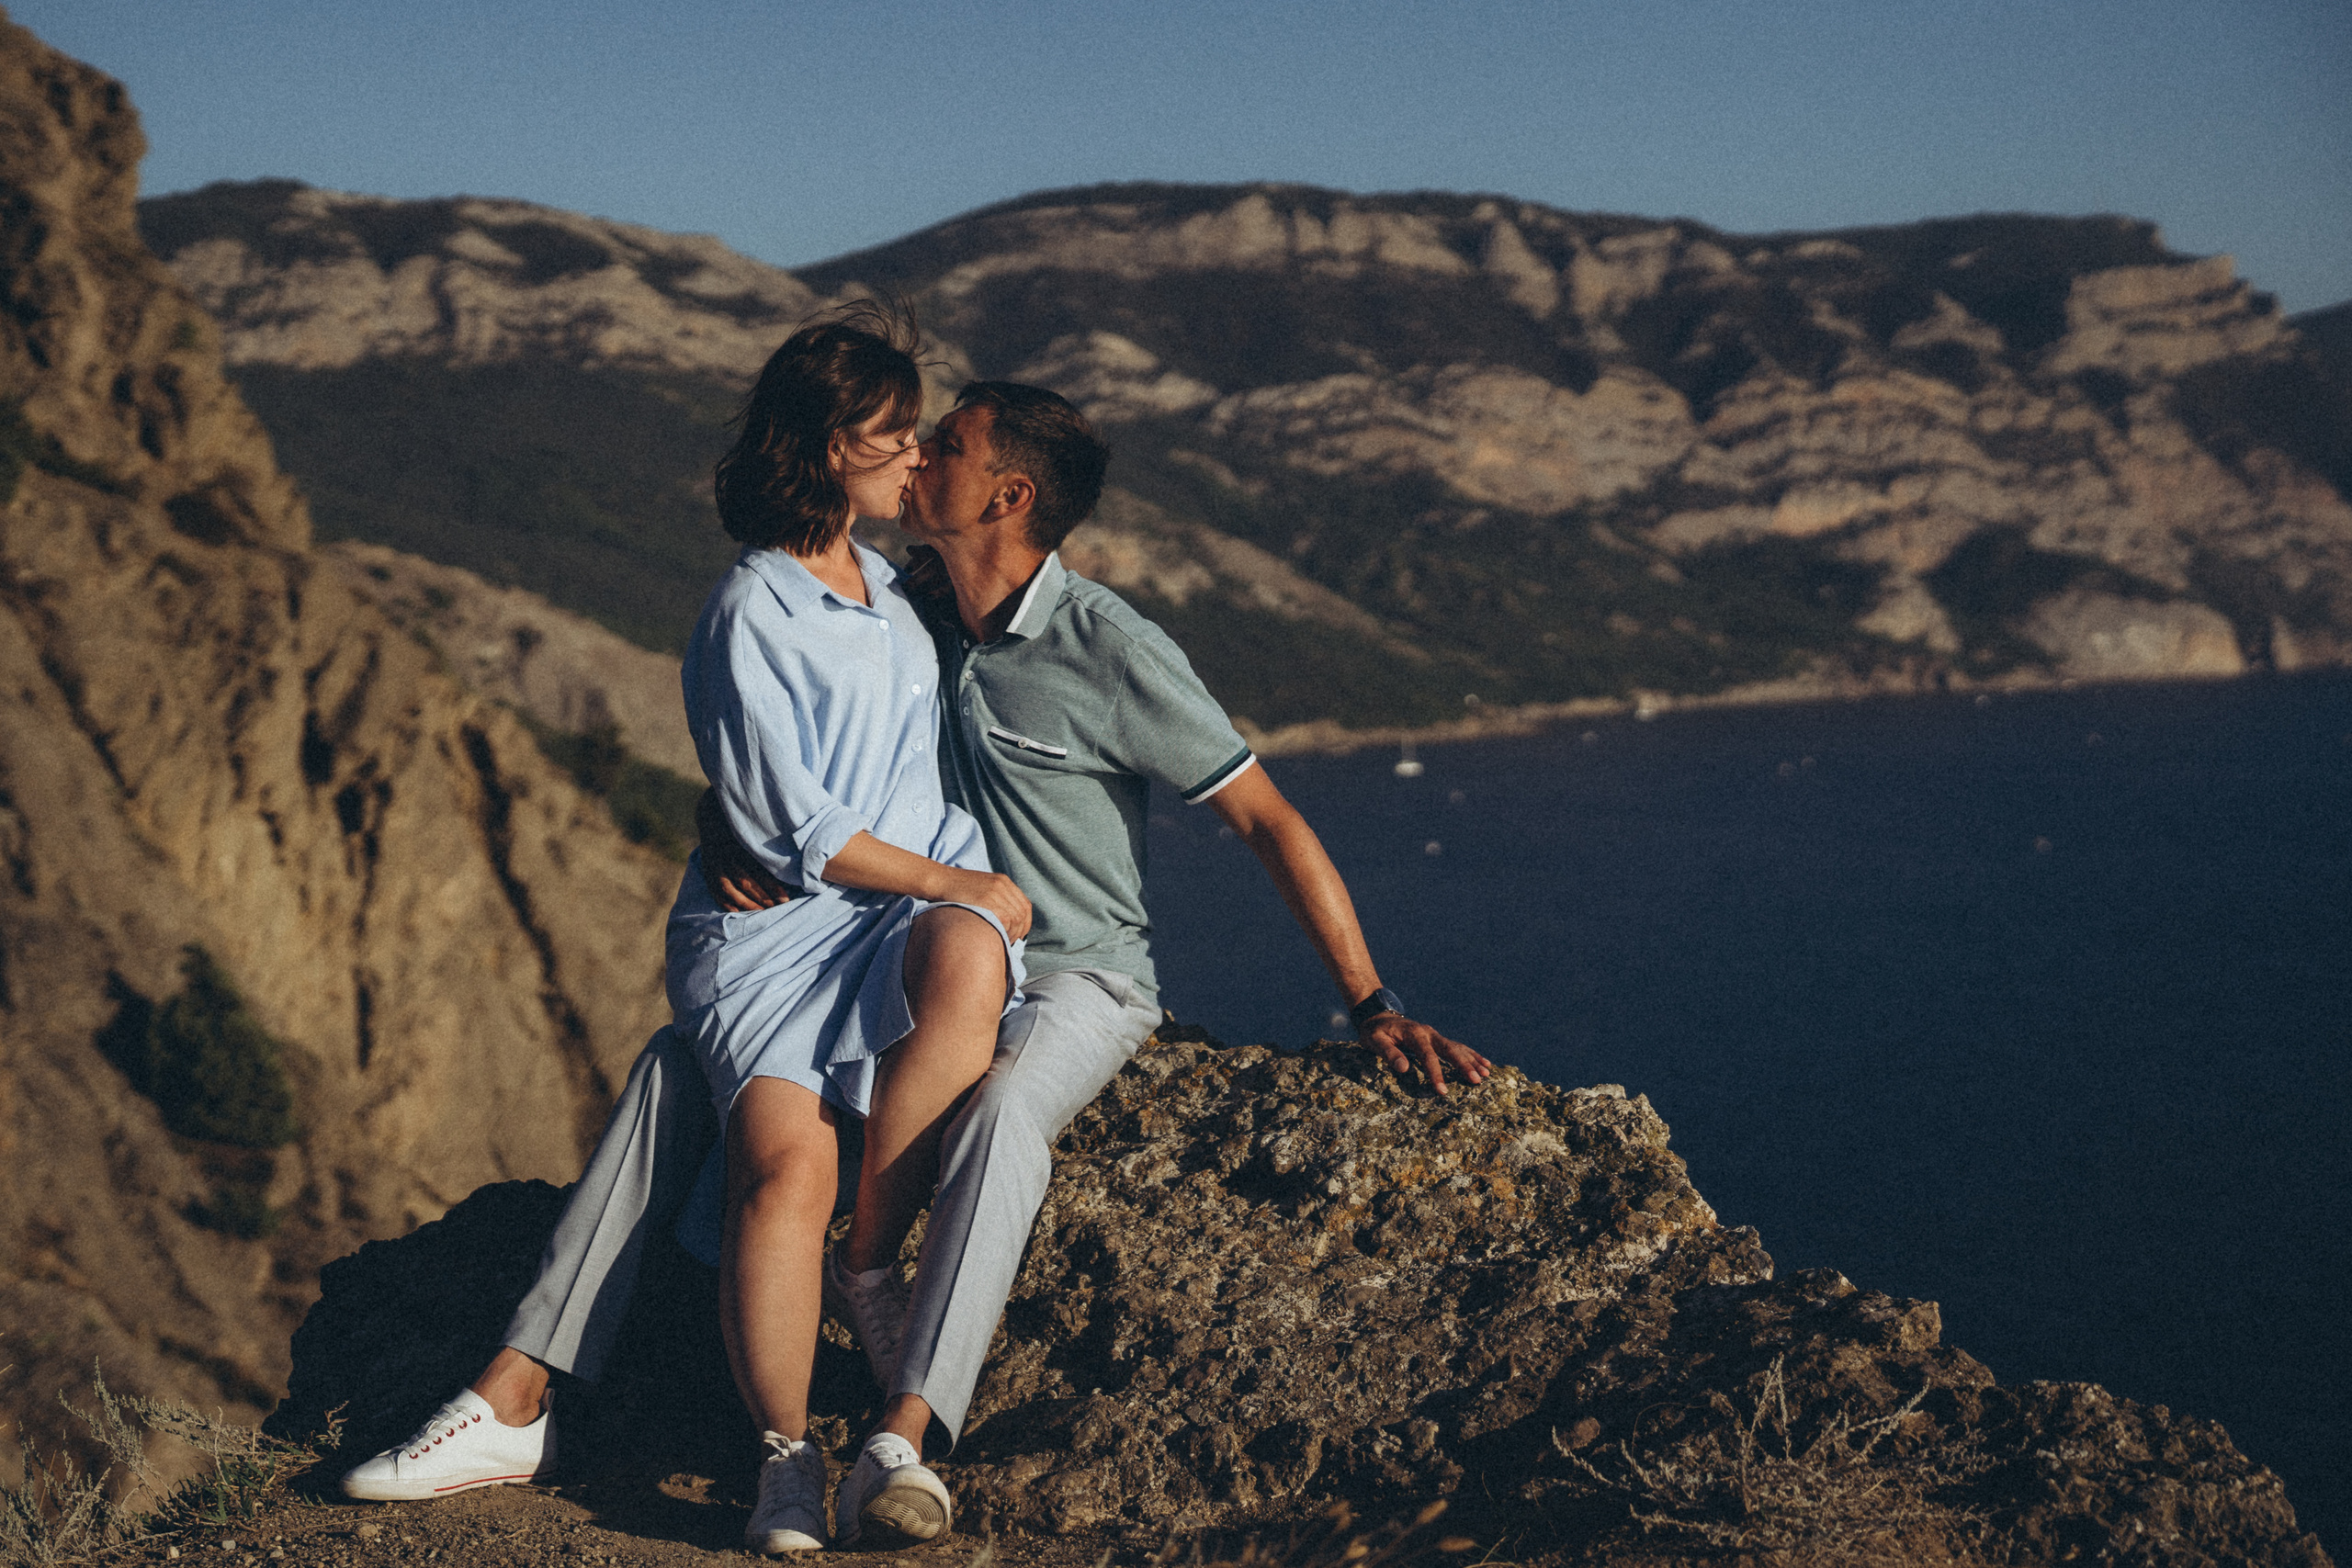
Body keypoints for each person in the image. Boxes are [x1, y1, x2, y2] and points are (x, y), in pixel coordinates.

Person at [705, 380, 1490, 1540]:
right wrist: (722, 827)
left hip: (1079, 974)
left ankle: (902, 1438)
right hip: (907, 955)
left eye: (950, 447)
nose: (916, 456)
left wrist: (1372, 1005)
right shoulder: (903, 607)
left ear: (1006, 494)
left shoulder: (1108, 646)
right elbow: (778, 733)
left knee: (1005, 1111)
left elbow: (1268, 818)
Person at [339, 307, 1028, 1557]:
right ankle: (782, 1461)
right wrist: (954, 875)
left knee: (973, 956)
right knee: (782, 1166)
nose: (915, 452)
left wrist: (966, 889)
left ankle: (867, 1266)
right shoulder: (749, 606)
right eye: (894, 433)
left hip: (894, 916)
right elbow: (796, 826)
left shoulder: (883, 582)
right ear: (830, 449)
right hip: (777, 930)